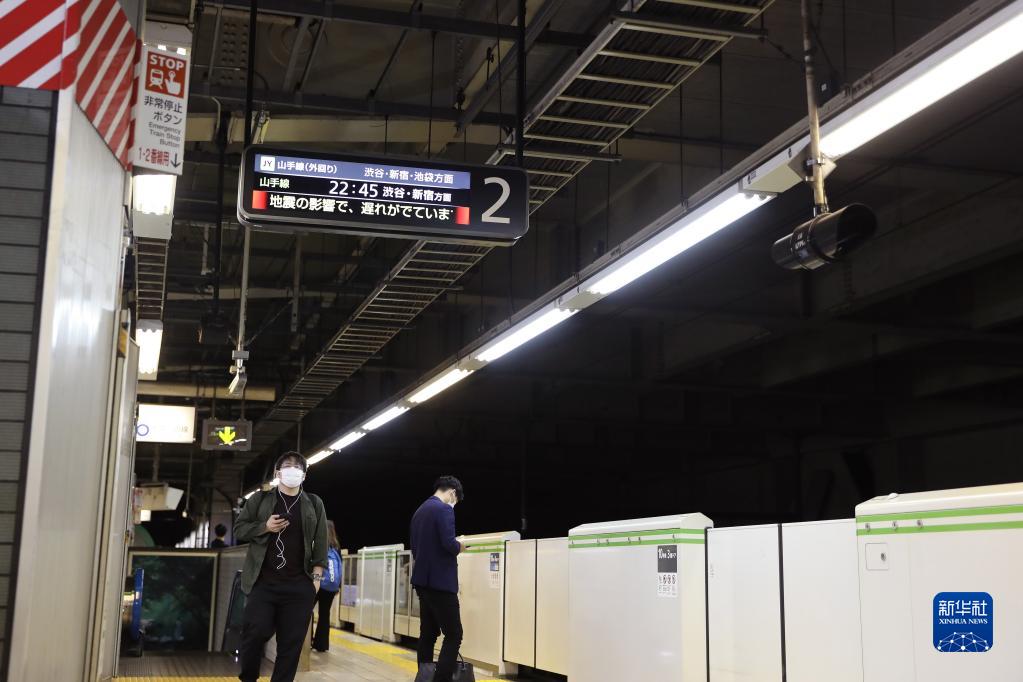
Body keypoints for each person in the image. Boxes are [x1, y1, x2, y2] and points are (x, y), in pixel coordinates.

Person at [234, 452, 328, 682]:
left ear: (304, 475)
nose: (292, 470)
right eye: (287, 466)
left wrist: (316, 581)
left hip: (299, 586)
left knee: (290, 645)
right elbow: (239, 530)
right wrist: (265, 527)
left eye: (298, 467)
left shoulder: (314, 503)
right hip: (262, 583)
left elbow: (321, 542)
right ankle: (248, 677)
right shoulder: (260, 499)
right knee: (255, 633)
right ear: (278, 473)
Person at [410, 476, 466, 682]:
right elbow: (449, 543)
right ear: (452, 493)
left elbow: (415, 548)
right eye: (455, 501)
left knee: (428, 633)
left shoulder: (419, 511)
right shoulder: (444, 509)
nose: (454, 504)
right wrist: (460, 546)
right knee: (454, 634)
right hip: (441, 584)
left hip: (422, 583)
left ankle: (424, 678)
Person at [311, 520, 342, 652]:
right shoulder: (336, 547)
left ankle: (306, 640)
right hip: (331, 587)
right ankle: (321, 645)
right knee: (324, 614)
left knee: (307, 610)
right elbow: (340, 567)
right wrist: (338, 586)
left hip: (319, 582)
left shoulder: (320, 544)